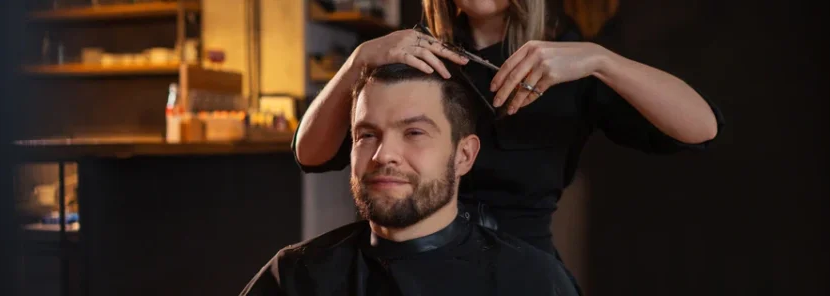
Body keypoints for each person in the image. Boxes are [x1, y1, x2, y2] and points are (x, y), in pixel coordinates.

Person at [292, 0, 725, 285]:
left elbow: (701, 127)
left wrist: (601, 60)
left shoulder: (570, 60)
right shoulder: (416, 54)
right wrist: (357, 60)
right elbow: (309, 154)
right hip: (409, 268)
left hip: (519, 278)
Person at [240, 62, 579, 296]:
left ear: (464, 156)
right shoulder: (296, 277)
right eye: (367, 135)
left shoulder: (532, 281)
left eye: (414, 132)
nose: (383, 154)